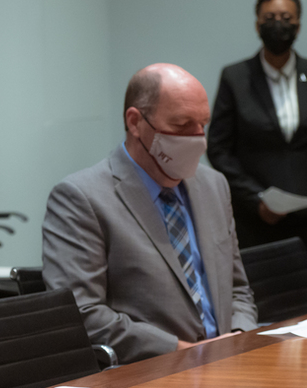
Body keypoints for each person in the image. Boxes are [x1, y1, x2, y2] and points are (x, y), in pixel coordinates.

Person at [42, 64, 258, 364]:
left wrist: (240, 335)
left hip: (230, 363)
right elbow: (82, 313)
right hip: (153, 372)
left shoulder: (214, 185)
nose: (198, 138)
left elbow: (237, 289)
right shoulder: (81, 197)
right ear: (135, 122)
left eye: (202, 124)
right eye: (182, 125)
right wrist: (186, 353)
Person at [208, 0, 307, 248]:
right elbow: (218, 148)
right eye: (270, 18)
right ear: (257, 25)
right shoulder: (236, 78)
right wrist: (256, 198)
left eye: (286, 18)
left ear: (298, 26)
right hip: (256, 219)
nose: (278, 24)